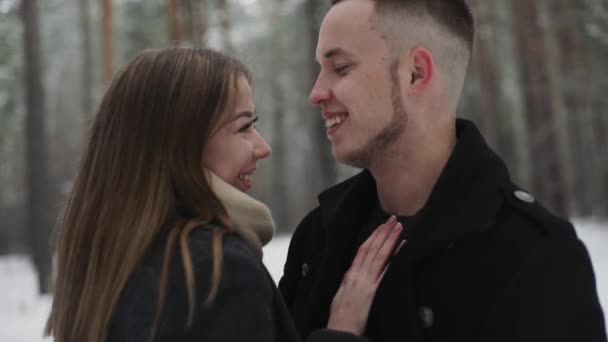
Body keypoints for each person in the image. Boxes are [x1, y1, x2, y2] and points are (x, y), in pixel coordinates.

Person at [279, 0, 607, 341]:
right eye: (321, 68)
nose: (316, 93)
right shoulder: (317, 239)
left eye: (341, 67)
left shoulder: (535, 260)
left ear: (415, 72)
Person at [44, 47, 403, 342]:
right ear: (181, 146)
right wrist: (340, 332)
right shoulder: (213, 272)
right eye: (244, 127)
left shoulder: (114, 264)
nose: (263, 148)